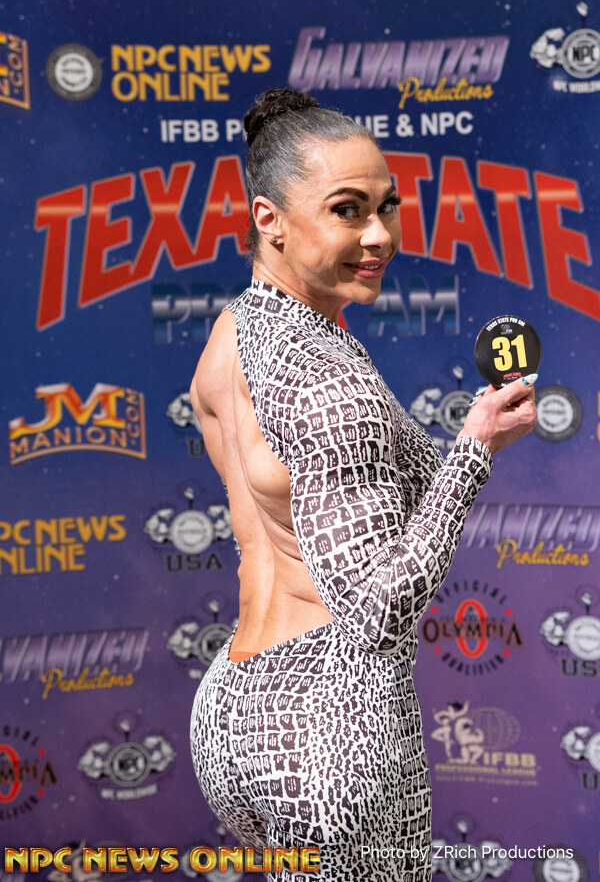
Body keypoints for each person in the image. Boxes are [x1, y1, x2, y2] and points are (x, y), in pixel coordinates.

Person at [189, 88, 537, 881]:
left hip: (232, 708)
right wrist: (475, 450)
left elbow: (319, 507)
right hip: (330, 721)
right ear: (269, 218)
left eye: (387, 207)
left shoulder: (231, 335)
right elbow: (377, 612)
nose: (379, 235)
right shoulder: (327, 377)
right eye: (347, 210)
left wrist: (463, 443)